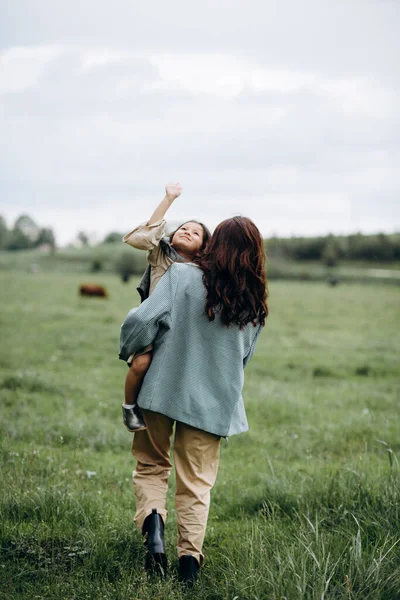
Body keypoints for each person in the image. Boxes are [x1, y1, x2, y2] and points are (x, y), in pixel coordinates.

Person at [119, 216, 268, 587]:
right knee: (197, 484)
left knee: (152, 466)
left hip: (160, 391)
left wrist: (129, 351)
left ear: (215, 244)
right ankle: (188, 565)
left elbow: (141, 320)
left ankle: (154, 535)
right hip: (213, 404)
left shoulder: (183, 276)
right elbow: (243, 359)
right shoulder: (255, 302)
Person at [121, 182, 211, 431]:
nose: (187, 232)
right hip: (153, 325)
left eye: (195, 233)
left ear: (204, 248)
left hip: (181, 331)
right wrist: (168, 199)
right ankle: (129, 408)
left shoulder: (202, 271)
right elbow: (144, 237)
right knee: (141, 364)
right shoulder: (161, 255)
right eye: (183, 228)